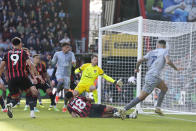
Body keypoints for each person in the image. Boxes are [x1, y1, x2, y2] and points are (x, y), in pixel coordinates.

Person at [119, 40, 182, 119]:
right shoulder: (165, 51)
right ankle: (124, 109)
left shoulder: (151, 52)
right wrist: (176, 68)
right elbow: (168, 61)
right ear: (164, 46)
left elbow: (139, 61)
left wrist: (137, 68)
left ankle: (157, 108)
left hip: (153, 76)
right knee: (141, 97)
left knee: (164, 88)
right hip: (153, 77)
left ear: (157, 45)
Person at [0, 37, 38, 118]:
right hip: (22, 76)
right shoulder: (23, 52)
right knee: (30, 93)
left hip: (11, 79)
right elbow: (30, 64)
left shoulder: (7, 54)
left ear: (12, 44)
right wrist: (35, 75)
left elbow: (1, 67)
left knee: (15, 97)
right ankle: (32, 113)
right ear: (20, 43)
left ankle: (10, 104)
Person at [48, 42, 76, 112]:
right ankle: (57, 94)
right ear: (62, 48)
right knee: (60, 81)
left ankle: (65, 105)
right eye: (66, 47)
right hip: (59, 73)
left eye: (68, 47)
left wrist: (73, 63)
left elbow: (74, 64)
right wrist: (49, 60)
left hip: (67, 74)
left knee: (66, 92)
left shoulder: (71, 54)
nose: (68, 49)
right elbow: (53, 63)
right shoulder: (57, 54)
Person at [65, 91, 136, 119]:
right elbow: (89, 99)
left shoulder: (69, 106)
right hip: (92, 106)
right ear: (72, 95)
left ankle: (129, 116)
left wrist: (79, 115)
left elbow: (74, 115)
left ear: (67, 98)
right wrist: (91, 100)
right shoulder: (78, 97)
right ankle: (128, 114)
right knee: (111, 108)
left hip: (89, 114)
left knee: (110, 115)